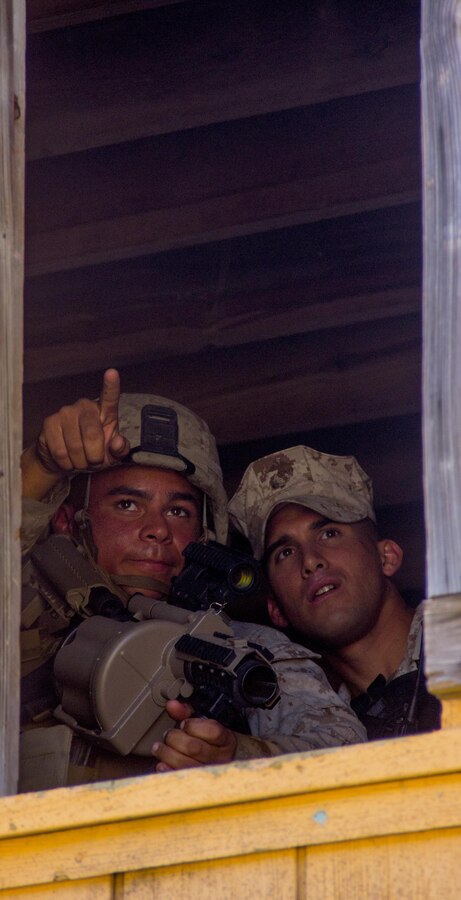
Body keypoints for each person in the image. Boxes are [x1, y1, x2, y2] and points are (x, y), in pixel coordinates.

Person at [19, 374, 365, 790]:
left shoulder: (241, 649)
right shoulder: (20, 612)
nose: (157, 530)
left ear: (203, 537)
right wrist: (40, 468)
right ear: (67, 518)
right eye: (127, 504)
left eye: (179, 512)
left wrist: (239, 756)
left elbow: (346, 754)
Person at [228, 445, 441, 740]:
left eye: (329, 534)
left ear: (387, 557)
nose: (311, 560)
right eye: (286, 552)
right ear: (276, 609)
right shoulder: (314, 731)